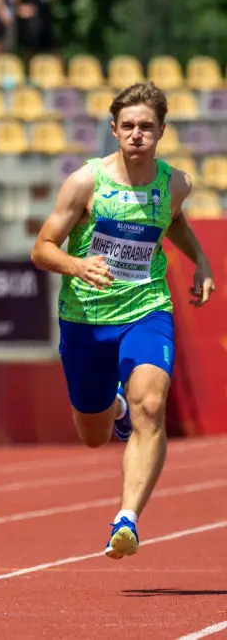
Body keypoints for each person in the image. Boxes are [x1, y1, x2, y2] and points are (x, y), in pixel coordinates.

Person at [31, 81, 215, 560]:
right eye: (128, 126)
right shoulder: (85, 182)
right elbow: (42, 248)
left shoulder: (175, 183)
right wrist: (77, 265)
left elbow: (173, 219)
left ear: (161, 131)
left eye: (146, 127)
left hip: (147, 309)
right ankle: (113, 408)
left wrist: (201, 260)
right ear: (113, 129)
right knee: (92, 437)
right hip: (86, 319)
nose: (137, 134)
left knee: (151, 406)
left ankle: (126, 518)